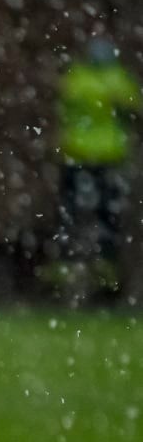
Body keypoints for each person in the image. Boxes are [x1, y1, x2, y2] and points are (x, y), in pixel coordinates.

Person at [54, 36, 141, 300]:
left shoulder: (77, 79)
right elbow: (132, 106)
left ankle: (78, 266)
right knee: (102, 214)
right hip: (99, 156)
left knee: (80, 213)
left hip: (84, 155)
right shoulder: (115, 80)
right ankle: (96, 266)